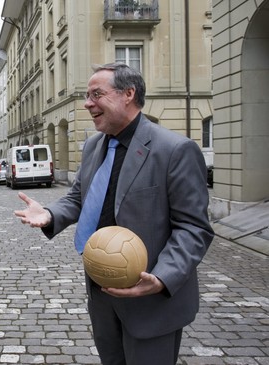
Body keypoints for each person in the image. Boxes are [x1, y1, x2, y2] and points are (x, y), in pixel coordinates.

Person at [14, 63, 214, 365]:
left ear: (128, 94)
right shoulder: (94, 145)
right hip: (102, 292)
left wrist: (161, 278)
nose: (87, 103)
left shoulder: (175, 149)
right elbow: (79, 198)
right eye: (86, 95)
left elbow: (193, 228)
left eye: (97, 94)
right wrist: (51, 214)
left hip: (150, 299)